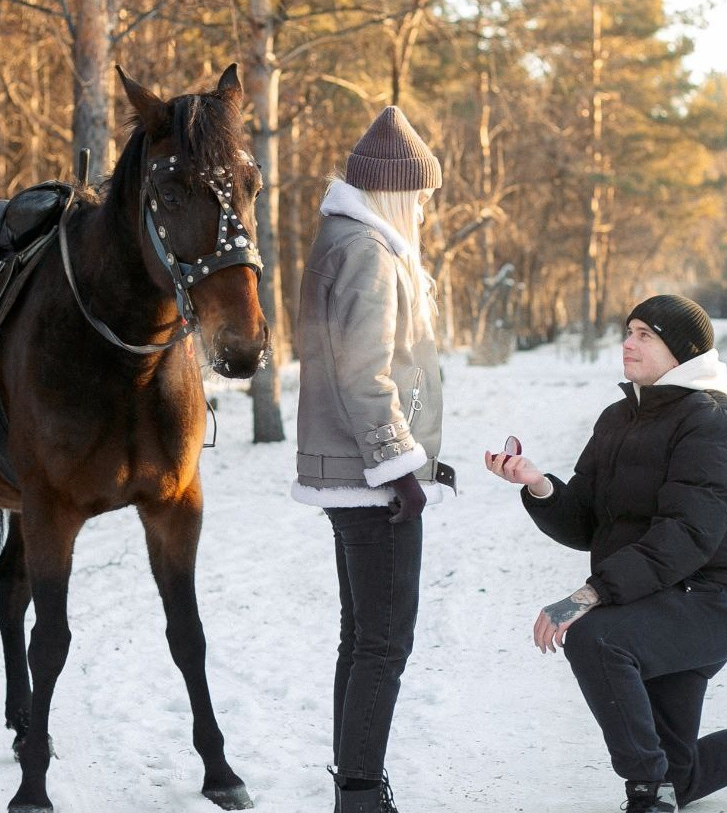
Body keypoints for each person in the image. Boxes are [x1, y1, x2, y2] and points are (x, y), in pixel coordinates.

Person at [485, 295, 727, 813]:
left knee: (596, 638)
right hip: (657, 595)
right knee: (683, 776)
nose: (628, 343)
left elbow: (687, 535)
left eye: (645, 334)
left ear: (681, 351)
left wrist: (592, 594)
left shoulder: (715, 423)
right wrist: (538, 485)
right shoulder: (619, 418)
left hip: (714, 598)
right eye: (628, 331)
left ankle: (647, 796)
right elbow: (587, 521)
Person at [292, 106, 454, 813]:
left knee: (361, 638)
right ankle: (360, 791)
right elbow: (365, 374)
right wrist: (399, 470)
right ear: (393, 191)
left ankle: (355, 780)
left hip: (356, 469)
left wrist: (421, 461)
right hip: (369, 480)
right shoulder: (365, 250)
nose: (422, 207)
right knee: (382, 643)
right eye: (416, 194)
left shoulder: (350, 240)